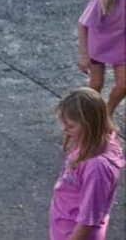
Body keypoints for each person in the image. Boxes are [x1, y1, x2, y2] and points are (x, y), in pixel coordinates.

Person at [49, 88, 124, 240]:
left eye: (70, 126)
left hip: (74, 233)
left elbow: (89, 219)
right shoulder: (92, 140)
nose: (64, 129)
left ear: (89, 125)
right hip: (65, 223)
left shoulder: (96, 167)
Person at [77, 0, 126, 116]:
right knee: (96, 84)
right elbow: (83, 25)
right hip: (99, 46)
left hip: (121, 46)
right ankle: (88, 114)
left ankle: (107, 112)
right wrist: (84, 55)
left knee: (124, 84)